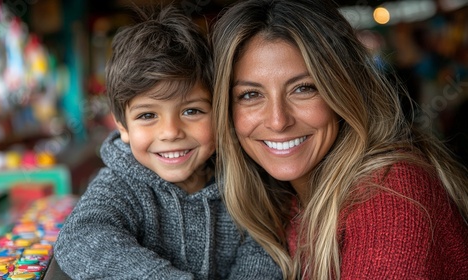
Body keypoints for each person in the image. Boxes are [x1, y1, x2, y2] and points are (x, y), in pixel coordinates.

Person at [211, 0, 468, 279]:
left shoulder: (389, 200)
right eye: (250, 95)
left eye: (304, 88)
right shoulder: (282, 202)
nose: (278, 120)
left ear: (342, 91)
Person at [54, 4, 282, 280]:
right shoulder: (120, 186)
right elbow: (81, 238)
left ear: (219, 112)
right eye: (148, 115)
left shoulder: (242, 180)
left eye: (191, 111)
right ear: (122, 127)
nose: (171, 132)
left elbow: (264, 251)